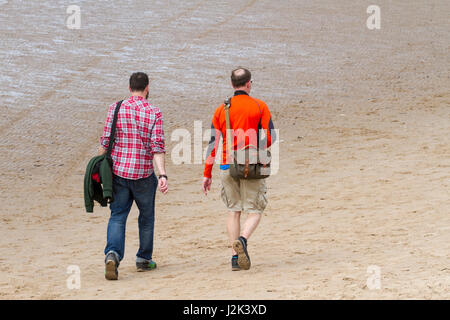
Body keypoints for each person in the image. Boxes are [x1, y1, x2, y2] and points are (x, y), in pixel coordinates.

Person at [202, 67, 275, 271]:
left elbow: (212, 144)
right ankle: (242, 240)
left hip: (227, 163)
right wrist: (254, 147)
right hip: (252, 163)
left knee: (233, 210)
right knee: (255, 209)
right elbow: (270, 137)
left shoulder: (221, 109)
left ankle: (235, 258)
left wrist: (206, 174)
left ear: (232, 84)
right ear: (249, 83)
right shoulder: (259, 106)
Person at [99, 72, 168, 280]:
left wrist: (98, 169)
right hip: (144, 174)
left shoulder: (116, 108)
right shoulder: (154, 112)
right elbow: (157, 147)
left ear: (129, 88)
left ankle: (112, 254)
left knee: (118, 215)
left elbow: (105, 141)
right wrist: (162, 174)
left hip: (118, 173)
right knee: (146, 218)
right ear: (147, 88)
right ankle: (143, 260)